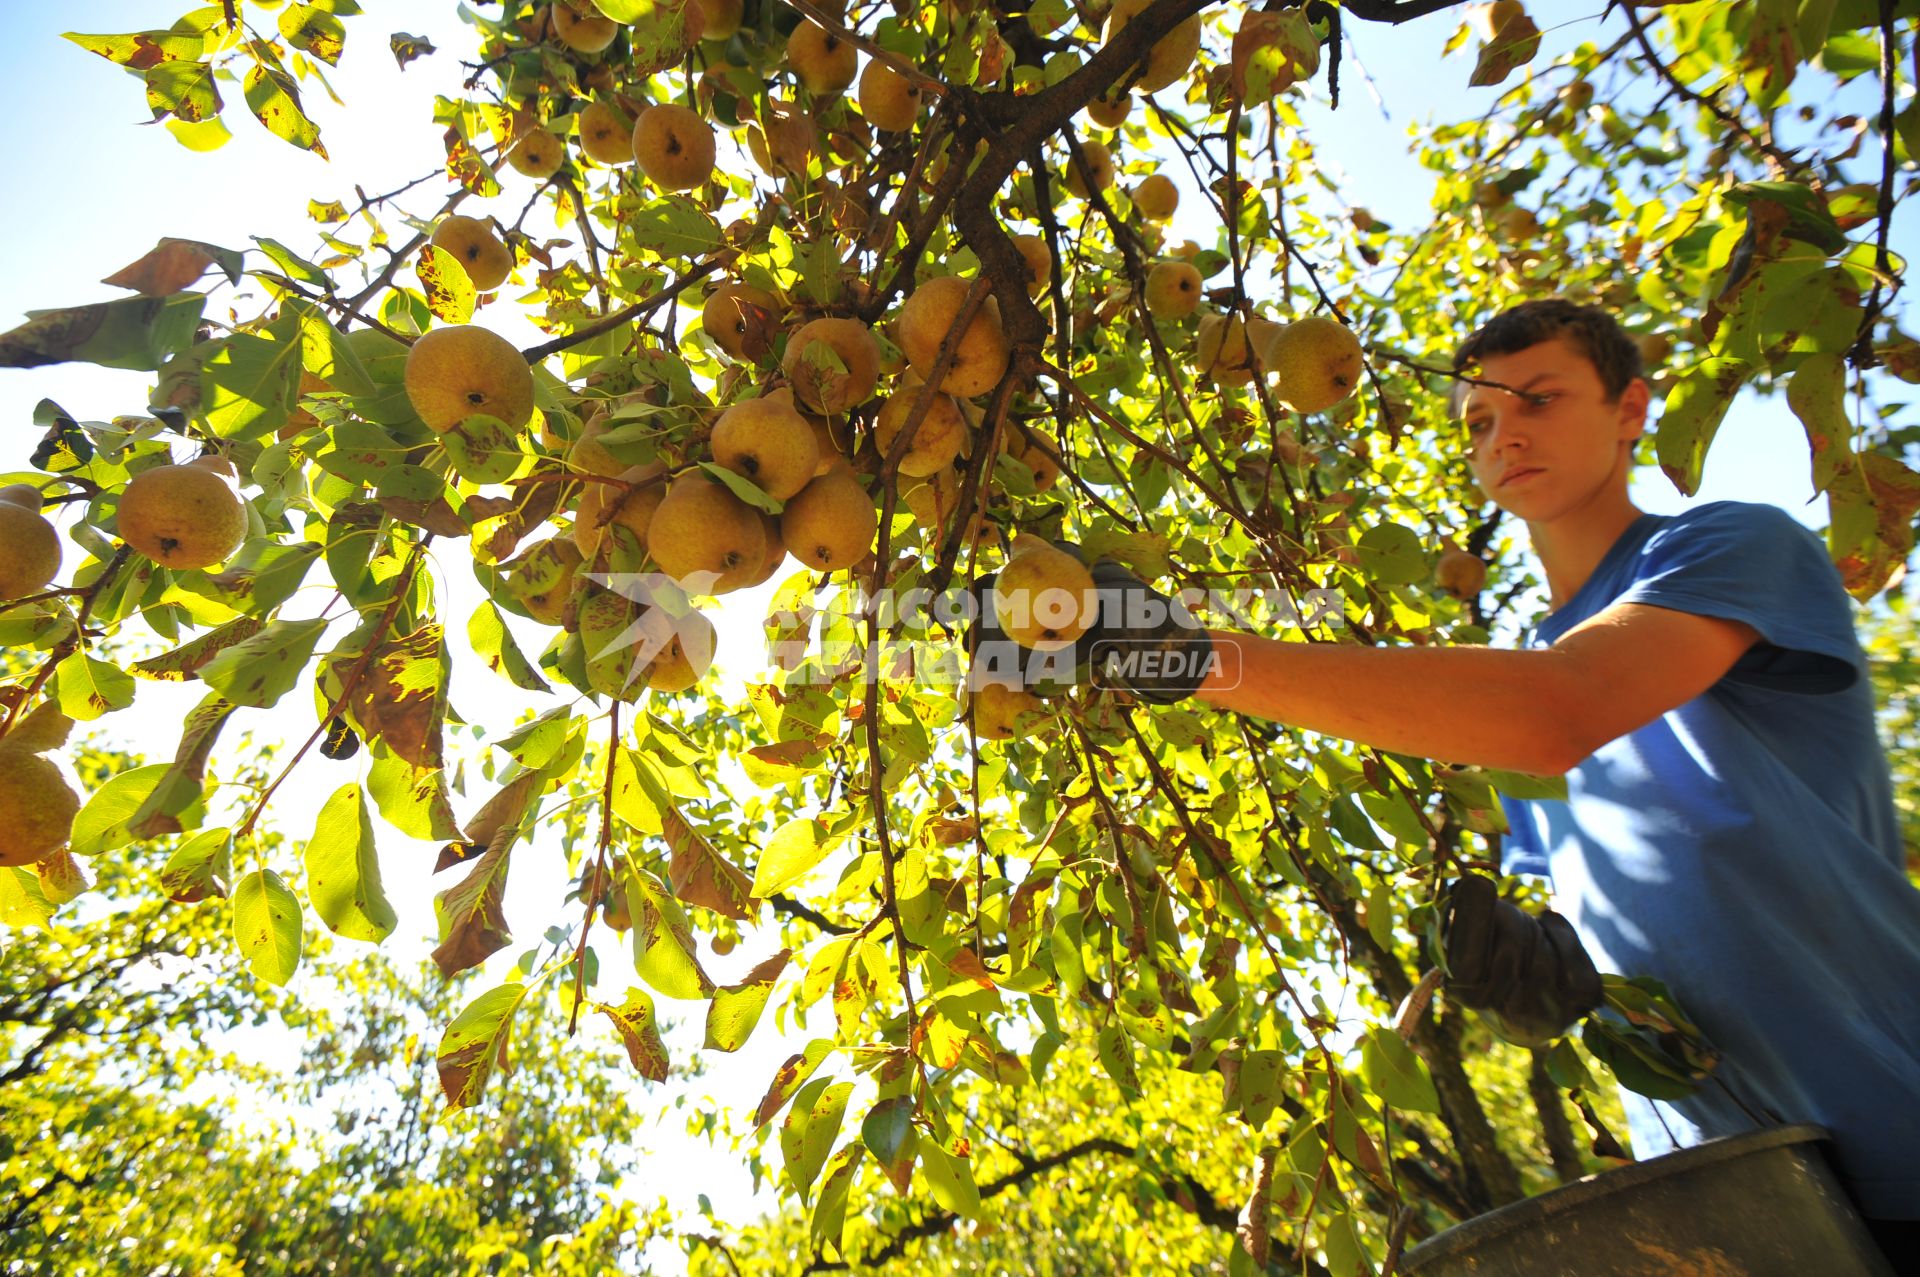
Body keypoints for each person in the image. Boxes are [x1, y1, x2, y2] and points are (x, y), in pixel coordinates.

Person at [970, 298, 1920, 1261]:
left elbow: (1561, 709)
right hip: (1743, 1195)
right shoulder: (1509, 689)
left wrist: (1182, 654)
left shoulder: (1729, 546)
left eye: (1539, 399)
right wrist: (1545, 982)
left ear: (1631, 410)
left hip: (1891, 1111)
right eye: (1479, 421)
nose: (1505, 433)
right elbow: (1615, 919)